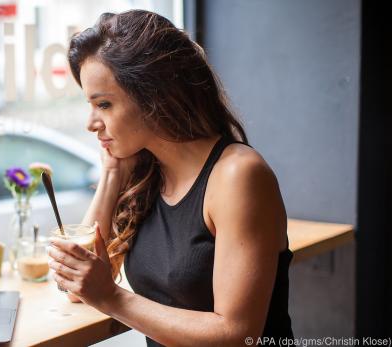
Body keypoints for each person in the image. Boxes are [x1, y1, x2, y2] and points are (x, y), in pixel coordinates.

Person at [47, 10, 293, 346]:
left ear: (154, 96)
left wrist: (112, 297)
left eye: (103, 104)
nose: (91, 123)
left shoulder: (238, 176)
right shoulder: (147, 173)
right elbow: (79, 288)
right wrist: (112, 173)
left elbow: (237, 333)